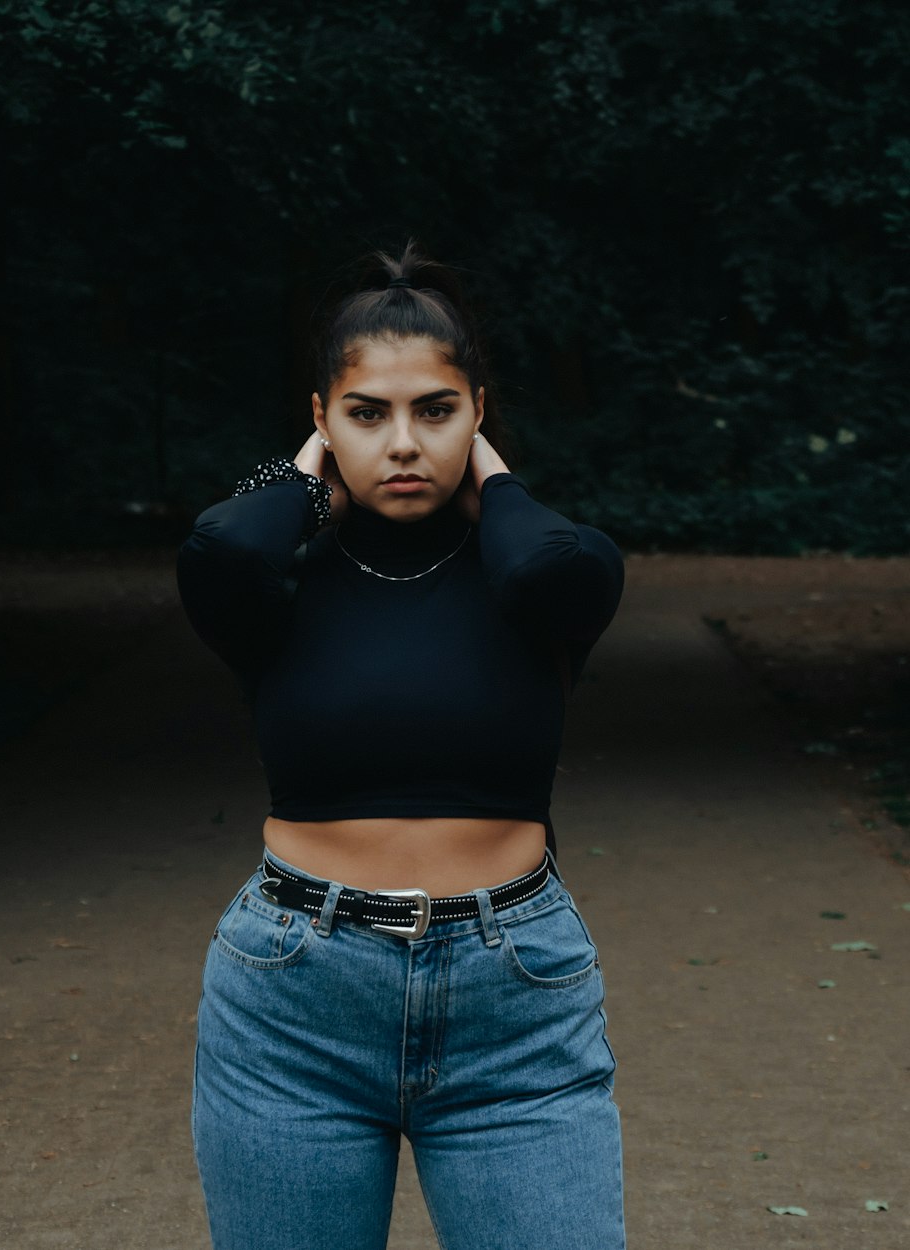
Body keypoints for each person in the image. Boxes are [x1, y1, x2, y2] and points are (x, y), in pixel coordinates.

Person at [177, 242, 626, 1250]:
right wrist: (299, 481)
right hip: (294, 1003)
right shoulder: (273, 581)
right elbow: (219, 539)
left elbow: (551, 560)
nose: (404, 441)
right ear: (321, 419)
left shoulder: (547, 572)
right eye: (366, 412)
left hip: (513, 1004)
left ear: (479, 408)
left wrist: (494, 477)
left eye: (435, 408)